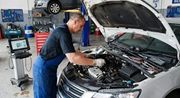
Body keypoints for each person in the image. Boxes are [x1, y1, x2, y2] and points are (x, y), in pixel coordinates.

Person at [33, 13, 106, 98]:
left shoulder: (64, 30)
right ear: (75, 22)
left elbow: (71, 51)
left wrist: (86, 55)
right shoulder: (63, 32)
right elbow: (72, 58)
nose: (81, 29)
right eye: (81, 26)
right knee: (44, 95)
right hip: (43, 68)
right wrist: (94, 62)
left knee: (52, 92)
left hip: (50, 68)